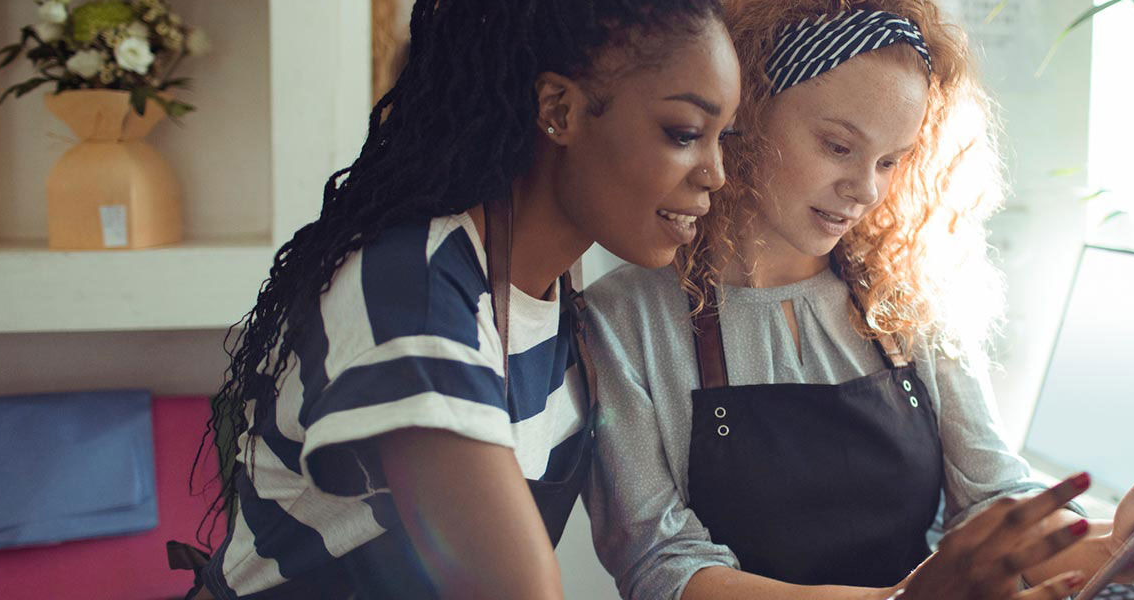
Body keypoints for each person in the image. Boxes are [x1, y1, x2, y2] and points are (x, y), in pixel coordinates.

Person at [581, 1, 1134, 599]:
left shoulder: (906, 295)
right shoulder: (622, 318)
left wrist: (1116, 544)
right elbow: (664, 565)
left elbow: (992, 501)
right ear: (744, 115)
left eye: (890, 161)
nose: (865, 189)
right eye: (838, 146)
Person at [185, 0, 740, 597]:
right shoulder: (412, 294)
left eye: (723, 138)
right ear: (559, 110)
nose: (716, 173)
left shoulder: (555, 295)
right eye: (685, 134)